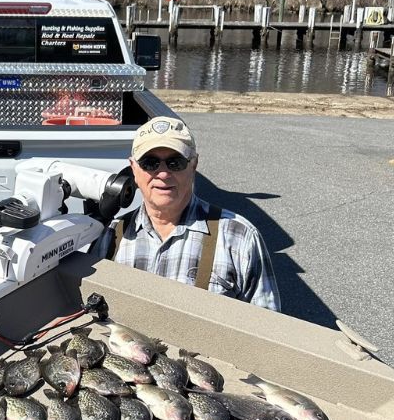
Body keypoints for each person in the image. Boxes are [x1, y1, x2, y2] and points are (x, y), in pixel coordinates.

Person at [108, 116, 281, 312]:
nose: (163, 173)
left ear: (194, 165)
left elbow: (267, 328)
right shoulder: (112, 237)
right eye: (150, 163)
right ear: (133, 168)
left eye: (175, 162)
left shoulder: (240, 237)